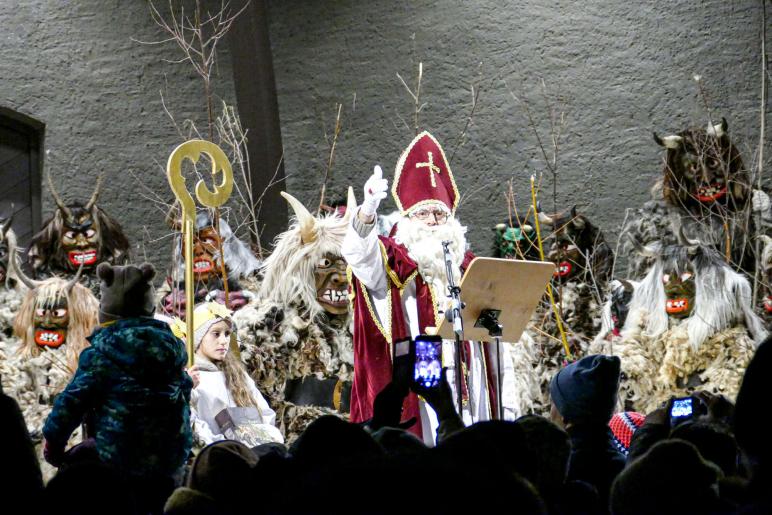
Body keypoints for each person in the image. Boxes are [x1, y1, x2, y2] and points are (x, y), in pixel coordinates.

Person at [342, 131, 510, 442]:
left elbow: (494, 331)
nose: (433, 221)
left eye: (440, 213)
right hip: (419, 380)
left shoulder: (467, 267)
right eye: (423, 213)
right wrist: (367, 211)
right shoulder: (395, 262)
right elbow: (357, 255)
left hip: (470, 385)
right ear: (406, 217)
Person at [42, 262, 192, 515]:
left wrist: (53, 446)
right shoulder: (173, 350)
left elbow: (71, 403)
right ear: (150, 308)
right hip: (170, 462)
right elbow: (184, 395)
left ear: (106, 311)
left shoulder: (101, 354)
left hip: (117, 462)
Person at [182, 302, 283, 447]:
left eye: (227, 334)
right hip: (218, 454)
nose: (223, 341)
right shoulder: (192, 379)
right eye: (216, 334)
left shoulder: (238, 375)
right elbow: (193, 428)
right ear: (198, 337)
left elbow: (265, 414)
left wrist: (264, 438)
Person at [549, 354, 625, 508]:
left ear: (565, 414)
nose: (549, 411)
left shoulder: (558, 473)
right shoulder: (625, 468)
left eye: (553, 403)